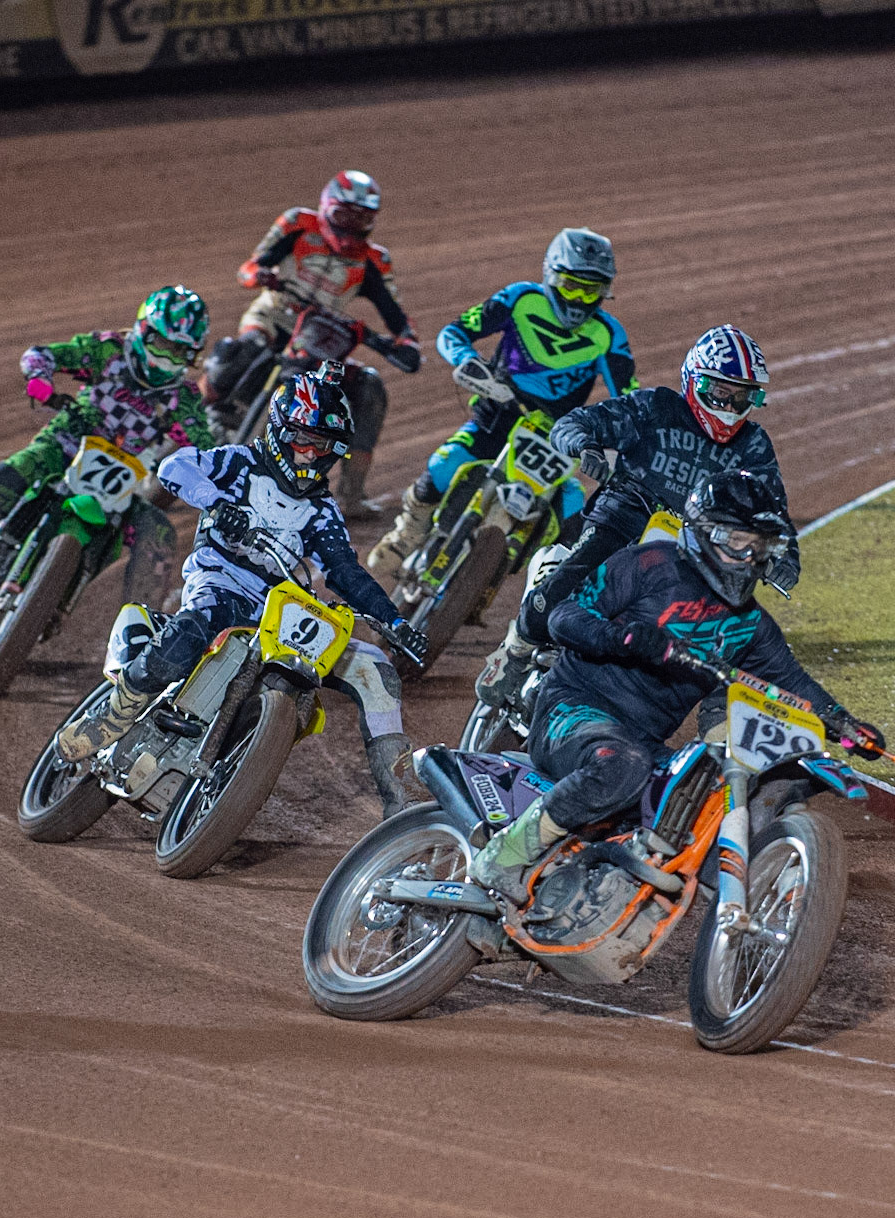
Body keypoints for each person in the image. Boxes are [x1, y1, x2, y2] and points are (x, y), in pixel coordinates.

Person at [467, 471, 885, 902]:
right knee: (622, 766)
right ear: (705, 533)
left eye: (757, 547)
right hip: (572, 708)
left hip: (644, 739)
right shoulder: (647, 565)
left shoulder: (752, 625)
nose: (746, 557)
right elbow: (564, 617)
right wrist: (624, 639)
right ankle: (503, 856)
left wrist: (845, 725)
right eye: (737, 541)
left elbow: (792, 683)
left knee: (702, 793)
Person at [56, 364, 433, 815]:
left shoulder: (323, 511)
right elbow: (176, 465)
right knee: (195, 627)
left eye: (323, 448)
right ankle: (115, 712)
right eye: (301, 442)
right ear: (278, 431)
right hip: (220, 580)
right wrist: (216, 501)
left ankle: (401, 800)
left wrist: (394, 621)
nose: (310, 457)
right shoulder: (241, 463)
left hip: (281, 611)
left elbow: (345, 571)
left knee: (375, 669)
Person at [471, 322, 800, 710]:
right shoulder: (654, 408)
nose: (729, 407)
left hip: (693, 551)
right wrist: (585, 445)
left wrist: (786, 557)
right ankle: (515, 650)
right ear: (694, 381)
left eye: (741, 398)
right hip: (624, 516)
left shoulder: (754, 444)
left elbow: (772, 506)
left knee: (713, 644)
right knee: (570, 580)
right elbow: (573, 423)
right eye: (720, 393)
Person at [0, 286, 215, 607]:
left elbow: (207, 448)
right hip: (63, 445)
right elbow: (41, 354)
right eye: (163, 345)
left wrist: (216, 477)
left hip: (123, 487)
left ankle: (140, 627)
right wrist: (40, 378)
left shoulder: (184, 399)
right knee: (0, 480)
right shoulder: (108, 352)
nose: (166, 359)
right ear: (143, 330)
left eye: (179, 353)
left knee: (160, 532)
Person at [367, 228, 635, 578]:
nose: (580, 301)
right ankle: (408, 532)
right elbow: (454, 332)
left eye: (591, 291)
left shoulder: (609, 334)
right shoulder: (521, 299)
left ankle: (542, 598)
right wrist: (467, 361)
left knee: (572, 517)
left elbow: (628, 399)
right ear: (552, 277)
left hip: (557, 439)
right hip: (497, 414)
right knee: (441, 468)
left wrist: (624, 440)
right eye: (572, 286)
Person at [199, 170, 423, 520]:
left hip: (321, 336)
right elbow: (250, 265)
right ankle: (186, 413)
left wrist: (406, 342)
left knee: (368, 389)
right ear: (326, 208)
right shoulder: (298, 224)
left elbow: (395, 313)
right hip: (273, 316)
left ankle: (352, 494)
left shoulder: (374, 261)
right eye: (344, 215)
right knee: (241, 352)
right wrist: (258, 275)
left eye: (361, 218)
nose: (351, 226)